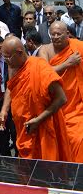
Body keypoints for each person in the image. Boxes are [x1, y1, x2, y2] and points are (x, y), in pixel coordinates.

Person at [0, 36, 70, 161]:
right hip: (23, 128)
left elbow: (61, 98)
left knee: (46, 168)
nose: (6, 61)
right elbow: (11, 86)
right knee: (26, 168)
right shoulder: (13, 66)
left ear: (20, 52)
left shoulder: (40, 67)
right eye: (4, 57)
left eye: (8, 57)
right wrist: (4, 110)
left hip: (43, 126)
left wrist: (38, 120)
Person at [40, 21, 83, 162]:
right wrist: (67, 64)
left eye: (59, 34)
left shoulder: (78, 47)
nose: (56, 37)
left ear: (67, 34)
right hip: (56, 104)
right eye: (53, 34)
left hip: (76, 104)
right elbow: (43, 73)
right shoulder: (45, 50)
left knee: (78, 138)